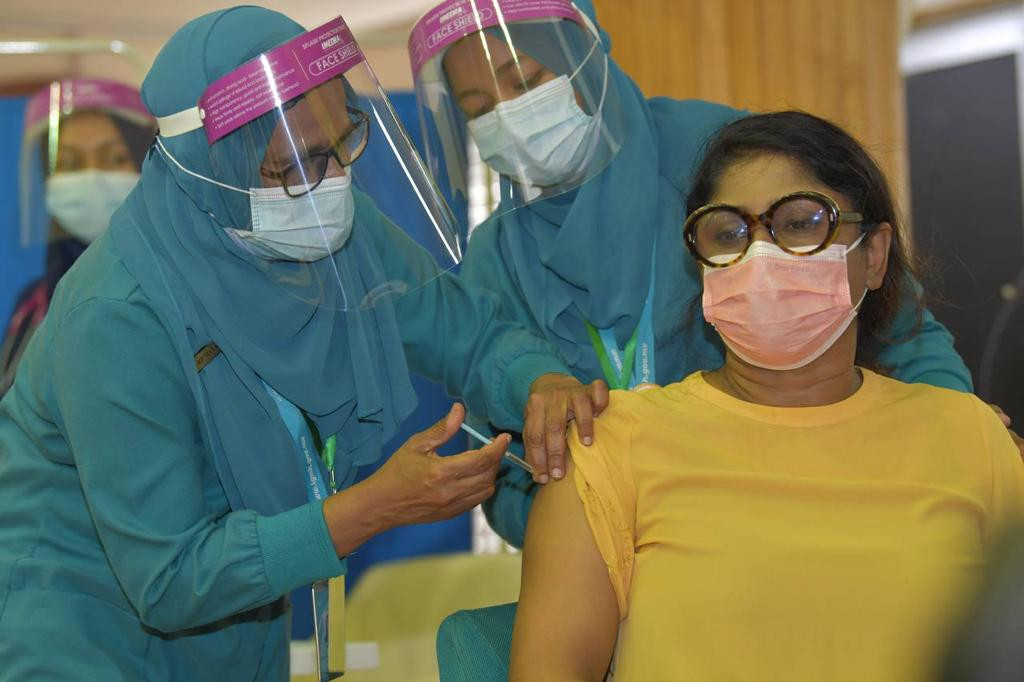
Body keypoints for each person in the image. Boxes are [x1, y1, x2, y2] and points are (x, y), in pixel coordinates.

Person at [0, 7, 603, 680]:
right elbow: (170, 577)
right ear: (213, 168)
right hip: (82, 642)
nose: (333, 180)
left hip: (238, 631)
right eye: (298, 162)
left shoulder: (320, 216)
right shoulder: (119, 315)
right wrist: (372, 507)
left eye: (344, 143)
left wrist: (538, 381)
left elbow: (460, 328)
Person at [408, 0, 1000, 550]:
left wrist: (955, 443)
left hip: (833, 507)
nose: (510, 118)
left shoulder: (720, 161)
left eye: (529, 82)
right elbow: (505, 469)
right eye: (479, 110)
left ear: (587, 55)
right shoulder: (495, 259)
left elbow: (900, 331)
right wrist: (594, 534)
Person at [509, 111, 1024, 681]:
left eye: (801, 223)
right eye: (728, 233)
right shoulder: (609, 446)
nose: (761, 255)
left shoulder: (970, 438)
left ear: (874, 256)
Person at [1, 78, 155, 394]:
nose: (91, 177)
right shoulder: (34, 302)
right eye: (68, 163)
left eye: (113, 158)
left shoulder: (164, 295)